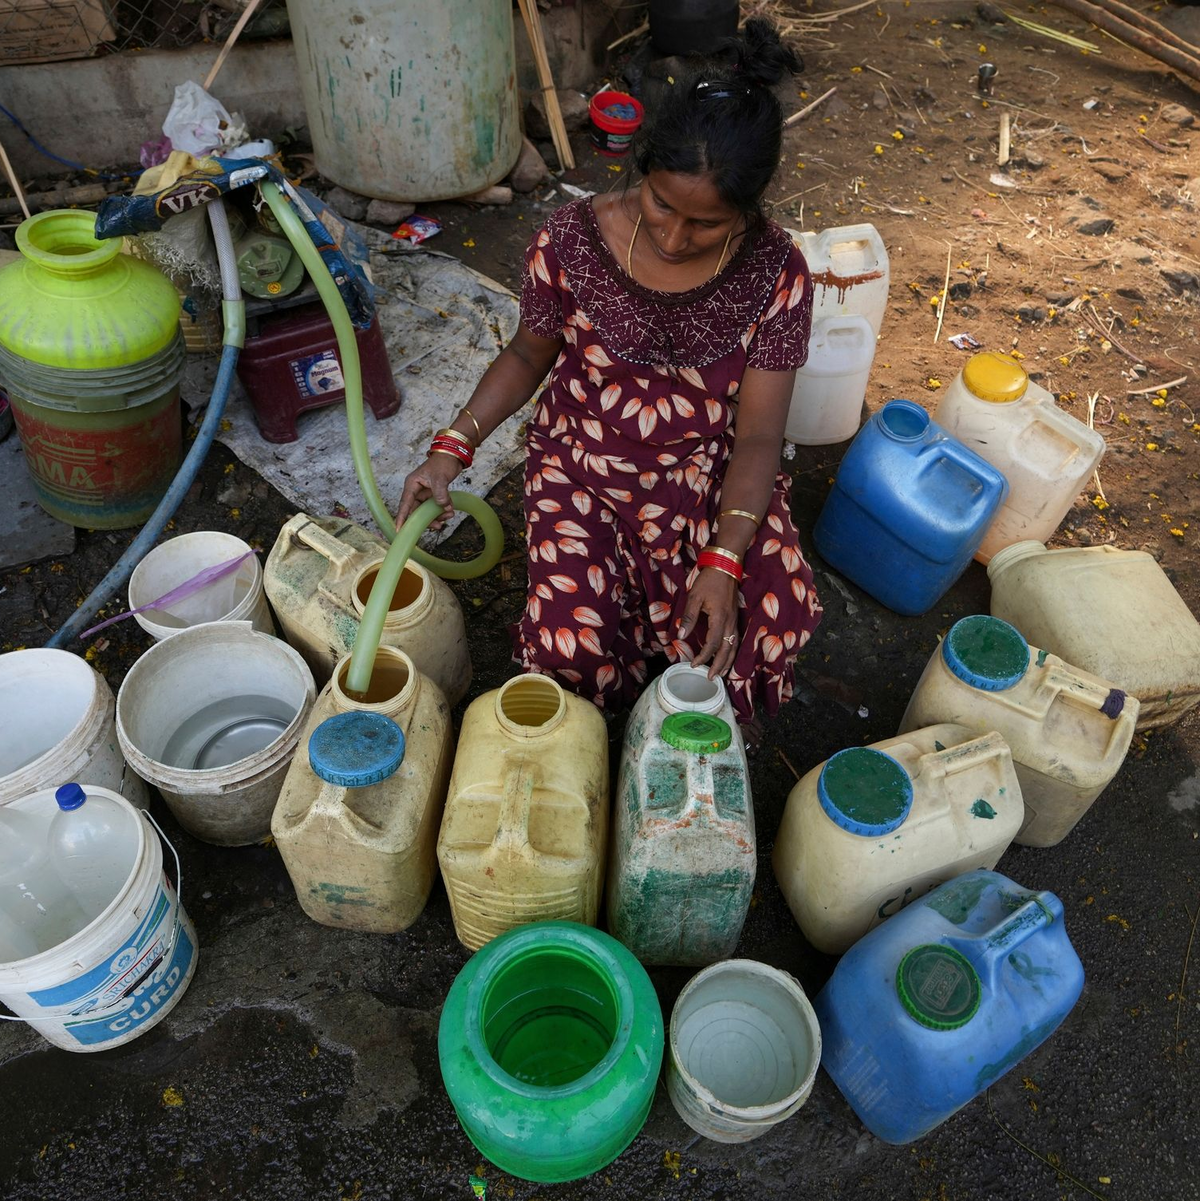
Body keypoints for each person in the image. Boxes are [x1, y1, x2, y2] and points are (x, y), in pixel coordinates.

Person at [396, 18, 823, 727]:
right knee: (576, 655)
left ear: (749, 208)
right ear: (642, 166)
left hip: (705, 476)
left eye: (707, 225)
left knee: (755, 626)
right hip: (581, 469)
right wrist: (451, 448)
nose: (674, 236)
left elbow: (756, 440)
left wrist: (724, 557)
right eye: (662, 204)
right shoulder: (568, 242)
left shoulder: (778, 275)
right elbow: (527, 355)